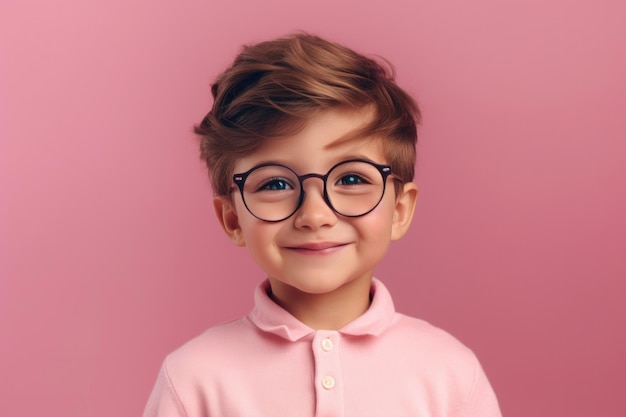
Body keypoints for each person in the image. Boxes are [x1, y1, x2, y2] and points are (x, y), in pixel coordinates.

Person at [143, 33, 502, 417]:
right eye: (275, 184)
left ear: (399, 210)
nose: (315, 216)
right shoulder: (193, 378)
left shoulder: (449, 373)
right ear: (232, 219)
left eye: (351, 179)